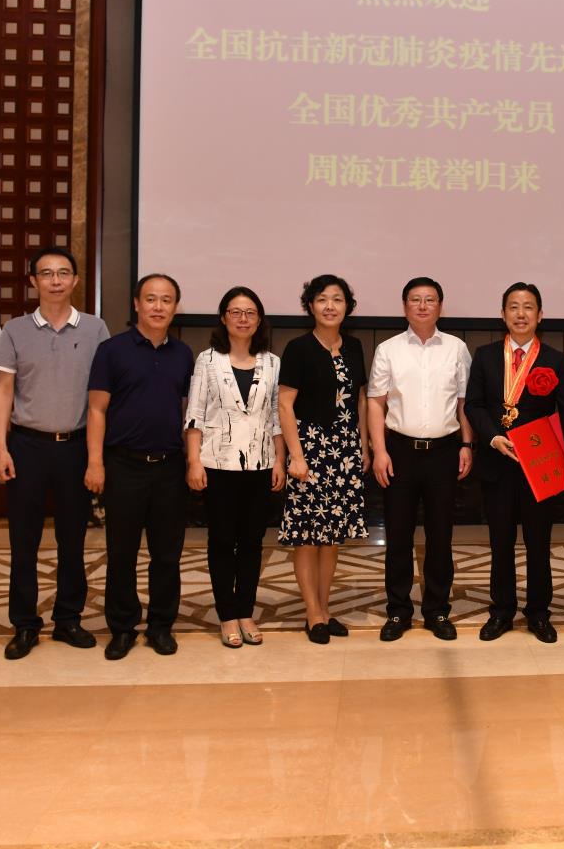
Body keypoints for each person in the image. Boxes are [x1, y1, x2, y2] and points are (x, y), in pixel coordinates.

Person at [0, 245, 110, 660]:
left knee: (72, 539)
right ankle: (24, 624)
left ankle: (68, 619)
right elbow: (3, 391)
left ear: (75, 280)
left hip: (75, 447)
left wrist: (97, 456)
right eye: (46, 273)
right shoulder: (14, 330)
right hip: (26, 446)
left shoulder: (95, 329)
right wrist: (0, 445)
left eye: (62, 273)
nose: (55, 280)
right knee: (23, 541)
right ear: (33, 281)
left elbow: (103, 395)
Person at [464, 282, 564, 644]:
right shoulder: (485, 356)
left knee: (538, 543)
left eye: (528, 307)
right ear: (503, 314)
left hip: (540, 466)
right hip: (497, 463)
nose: (521, 314)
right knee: (500, 543)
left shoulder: (555, 360)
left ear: (540, 315)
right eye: (514, 307)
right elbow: (473, 405)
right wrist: (492, 437)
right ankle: (501, 611)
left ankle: (538, 613)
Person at [85, 273, 194, 660]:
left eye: (166, 300)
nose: (158, 307)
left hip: (169, 467)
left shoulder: (183, 354)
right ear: (136, 304)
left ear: (175, 307)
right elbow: (96, 410)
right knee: (122, 553)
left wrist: (191, 461)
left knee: (167, 554)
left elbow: (188, 412)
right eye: (151, 299)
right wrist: (95, 462)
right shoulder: (111, 350)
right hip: (123, 466)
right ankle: (122, 628)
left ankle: (161, 626)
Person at [367, 276, 473, 642]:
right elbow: (376, 402)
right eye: (415, 299)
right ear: (404, 307)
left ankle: (437, 610)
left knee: (441, 537)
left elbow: (464, 403)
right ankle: (398, 611)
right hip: (399, 452)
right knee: (398, 536)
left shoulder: (457, 348)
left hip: (444, 452)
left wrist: (467, 444)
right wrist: (379, 451)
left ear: (440, 307)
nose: (423, 305)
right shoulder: (389, 349)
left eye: (430, 300)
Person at [185, 286, 286, 649]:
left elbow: (275, 417)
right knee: (222, 542)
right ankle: (227, 615)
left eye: (250, 313)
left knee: (253, 543)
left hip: (260, 465)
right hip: (217, 465)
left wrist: (280, 460)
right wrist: (193, 461)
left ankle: (246, 611)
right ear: (223, 318)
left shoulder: (272, 363)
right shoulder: (207, 360)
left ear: (259, 320)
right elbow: (195, 414)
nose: (243, 319)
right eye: (235, 312)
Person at [278, 274, 370, 645]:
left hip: (345, 451)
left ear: (347, 306)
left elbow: (359, 399)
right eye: (321, 299)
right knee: (307, 536)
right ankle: (312, 612)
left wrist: (363, 447)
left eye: (337, 299)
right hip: (310, 449)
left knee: (332, 537)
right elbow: (285, 405)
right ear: (310, 306)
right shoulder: (298, 348)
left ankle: (325, 609)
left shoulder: (355, 347)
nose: (330, 306)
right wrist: (296, 456)